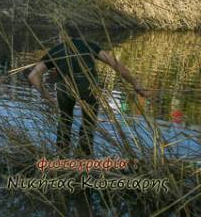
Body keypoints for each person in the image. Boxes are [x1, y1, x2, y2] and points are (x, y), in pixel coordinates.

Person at [27, 25, 150, 156]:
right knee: (88, 123)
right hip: (87, 87)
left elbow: (32, 76)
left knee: (65, 121)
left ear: (62, 35)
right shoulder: (89, 45)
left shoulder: (56, 51)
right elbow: (115, 64)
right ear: (80, 35)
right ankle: (84, 156)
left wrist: (48, 97)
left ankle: (61, 156)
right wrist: (135, 84)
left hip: (65, 89)